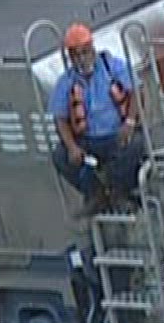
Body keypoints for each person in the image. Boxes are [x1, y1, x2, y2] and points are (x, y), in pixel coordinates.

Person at [48, 23, 145, 215]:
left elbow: (136, 89)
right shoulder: (66, 81)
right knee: (60, 155)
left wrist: (130, 122)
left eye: (85, 51)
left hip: (117, 133)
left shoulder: (113, 66)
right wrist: (72, 147)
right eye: (76, 54)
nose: (81, 58)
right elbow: (60, 118)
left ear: (92, 48)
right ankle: (95, 193)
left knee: (135, 145)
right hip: (88, 139)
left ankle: (118, 192)